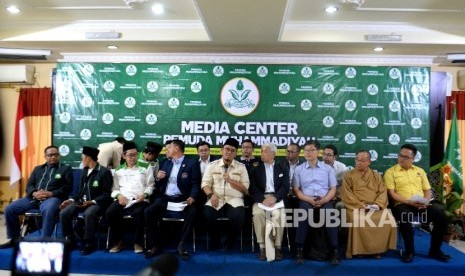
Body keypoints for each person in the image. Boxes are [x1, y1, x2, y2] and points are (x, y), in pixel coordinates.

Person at [384, 143, 450, 263]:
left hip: (421, 203)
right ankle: (409, 251)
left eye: (406, 157)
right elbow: (392, 194)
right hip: (402, 204)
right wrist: (409, 202)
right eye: (400, 155)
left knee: (441, 216)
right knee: (405, 217)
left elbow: (427, 190)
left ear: (413, 159)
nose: (401, 158)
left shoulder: (420, 171)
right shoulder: (390, 172)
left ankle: (435, 250)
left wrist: (425, 201)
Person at [0, 146, 73, 248]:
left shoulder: (66, 169)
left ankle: (43, 242)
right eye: (50, 155)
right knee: (9, 209)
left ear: (59, 156)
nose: (53, 157)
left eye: (55, 155)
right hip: (34, 198)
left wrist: (51, 193)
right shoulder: (38, 169)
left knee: (49, 209)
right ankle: (15, 239)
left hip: (52, 198)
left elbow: (68, 187)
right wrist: (34, 193)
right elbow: (29, 185)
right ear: (45, 157)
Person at [144, 139, 201, 259]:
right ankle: (156, 245)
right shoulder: (166, 162)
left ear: (176, 149)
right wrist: (158, 178)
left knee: (192, 213)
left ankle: (182, 245)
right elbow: (159, 185)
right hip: (166, 198)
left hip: (183, 199)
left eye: (169, 148)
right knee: (148, 212)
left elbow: (196, 184)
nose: (167, 150)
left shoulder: (192, 163)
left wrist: (192, 197)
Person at [341, 150, 397, 259]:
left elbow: (382, 192)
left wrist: (377, 204)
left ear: (369, 162)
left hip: (375, 206)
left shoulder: (376, 175)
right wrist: (360, 205)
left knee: (388, 219)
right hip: (356, 206)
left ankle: (377, 250)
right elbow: (346, 194)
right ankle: (359, 250)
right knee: (357, 220)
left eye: (362, 160)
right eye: (357, 160)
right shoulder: (349, 175)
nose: (359, 162)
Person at [59, 146, 113, 255]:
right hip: (82, 201)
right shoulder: (84, 171)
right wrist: (70, 200)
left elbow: (107, 195)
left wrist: (92, 202)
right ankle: (69, 240)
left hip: (97, 203)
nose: (81, 160)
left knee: (89, 214)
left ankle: (89, 243)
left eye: (82, 158)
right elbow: (79, 191)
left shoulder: (104, 172)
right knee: (64, 212)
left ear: (88, 158)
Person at [292, 140, 339, 265]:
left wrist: (325, 199)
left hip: (324, 199)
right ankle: (299, 249)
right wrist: (308, 199)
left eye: (311, 150)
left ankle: (334, 250)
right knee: (303, 213)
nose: (308, 153)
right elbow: (296, 190)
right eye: (306, 150)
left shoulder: (327, 168)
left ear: (318, 152)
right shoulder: (299, 169)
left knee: (330, 214)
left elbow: (333, 188)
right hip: (306, 199)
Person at [105, 141, 155, 254]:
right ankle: (118, 241)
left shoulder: (146, 166)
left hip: (140, 199)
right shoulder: (118, 170)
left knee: (139, 213)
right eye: (130, 155)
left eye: (135, 154)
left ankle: (138, 242)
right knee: (110, 212)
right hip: (123, 199)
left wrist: (145, 195)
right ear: (124, 156)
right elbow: (114, 188)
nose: (133, 157)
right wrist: (119, 196)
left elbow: (150, 185)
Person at [202, 138, 250, 250]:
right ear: (221, 150)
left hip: (234, 198)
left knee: (238, 217)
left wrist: (231, 181)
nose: (229, 152)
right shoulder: (212, 165)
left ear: (236, 153)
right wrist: (210, 195)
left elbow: (245, 190)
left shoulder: (241, 167)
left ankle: (230, 241)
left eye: (232, 150)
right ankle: (215, 240)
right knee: (207, 214)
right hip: (216, 197)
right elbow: (205, 184)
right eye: (227, 149)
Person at [249, 143, 289, 261]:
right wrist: (262, 199)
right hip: (261, 198)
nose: (262, 154)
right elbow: (252, 188)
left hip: (277, 198)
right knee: (258, 213)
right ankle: (262, 247)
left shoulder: (282, 168)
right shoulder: (255, 168)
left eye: (266, 151)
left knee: (280, 214)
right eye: (261, 151)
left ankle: (277, 247)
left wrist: (275, 198)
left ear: (274, 154)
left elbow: (285, 187)